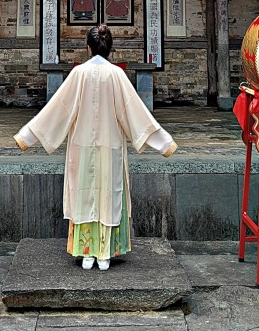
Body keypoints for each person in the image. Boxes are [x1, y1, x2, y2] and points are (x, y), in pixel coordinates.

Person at [14, 24, 177, 271]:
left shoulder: (79, 73)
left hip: (82, 147)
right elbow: (135, 113)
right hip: (110, 147)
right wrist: (162, 142)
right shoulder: (117, 75)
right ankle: (106, 254)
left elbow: (58, 109)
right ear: (110, 49)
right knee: (109, 194)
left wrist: (27, 135)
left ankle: (87, 253)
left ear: (88, 47)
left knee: (84, 194)